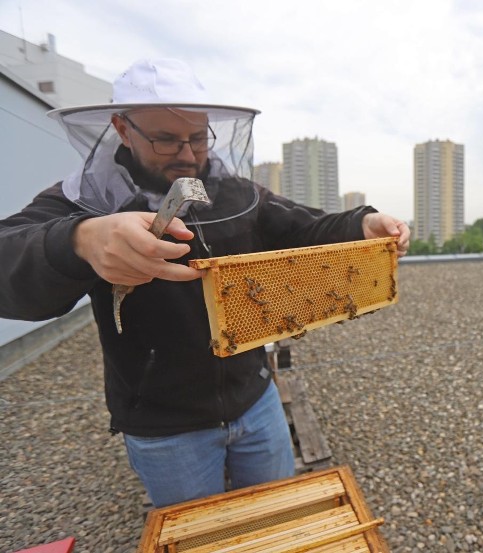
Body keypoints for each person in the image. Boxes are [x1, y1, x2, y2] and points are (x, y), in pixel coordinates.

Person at [0, 58, 410, 507]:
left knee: (271, 518)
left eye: (197, 138)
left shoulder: (235, 192)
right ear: (122, 129)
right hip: (165, 422)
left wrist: (362, 223)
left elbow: (304, 227)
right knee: (197, 533)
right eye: (165, 139)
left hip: (256, 397)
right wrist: (77, 239)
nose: (187, 154)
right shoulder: (82, 201)